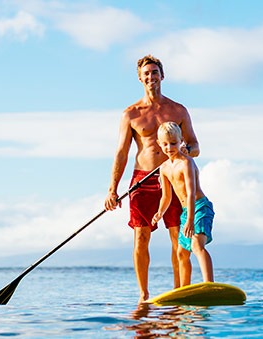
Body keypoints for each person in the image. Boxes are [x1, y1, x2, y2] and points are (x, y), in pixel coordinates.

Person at [105, 55, 200, 302]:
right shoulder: (131, 114)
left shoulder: (178, 110)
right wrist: (112, 189)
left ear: (162, 76)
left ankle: (180, 291)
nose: (151, 77)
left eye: (155, 72)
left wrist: (184, 152)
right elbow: (121, 152)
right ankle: (144, 295)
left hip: (173, 177)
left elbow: (195, 145)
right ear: (140, 78)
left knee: (178, 235)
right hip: (142, 180)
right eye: (146, 73)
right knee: (141, 236)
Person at [152, 122, 214, 287]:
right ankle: (184, 289)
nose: (169, 147)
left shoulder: (186, 162)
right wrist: (159, 213)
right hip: (187, 212)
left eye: (173, 143)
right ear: (159, 143)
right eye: (165, 144)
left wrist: (190, 220)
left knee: (196, 245)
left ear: (181, 141)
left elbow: (191, 192)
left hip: (199, 207)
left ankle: (209, 284)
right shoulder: (164, 168)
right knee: (181, 253)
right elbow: (166, 196)